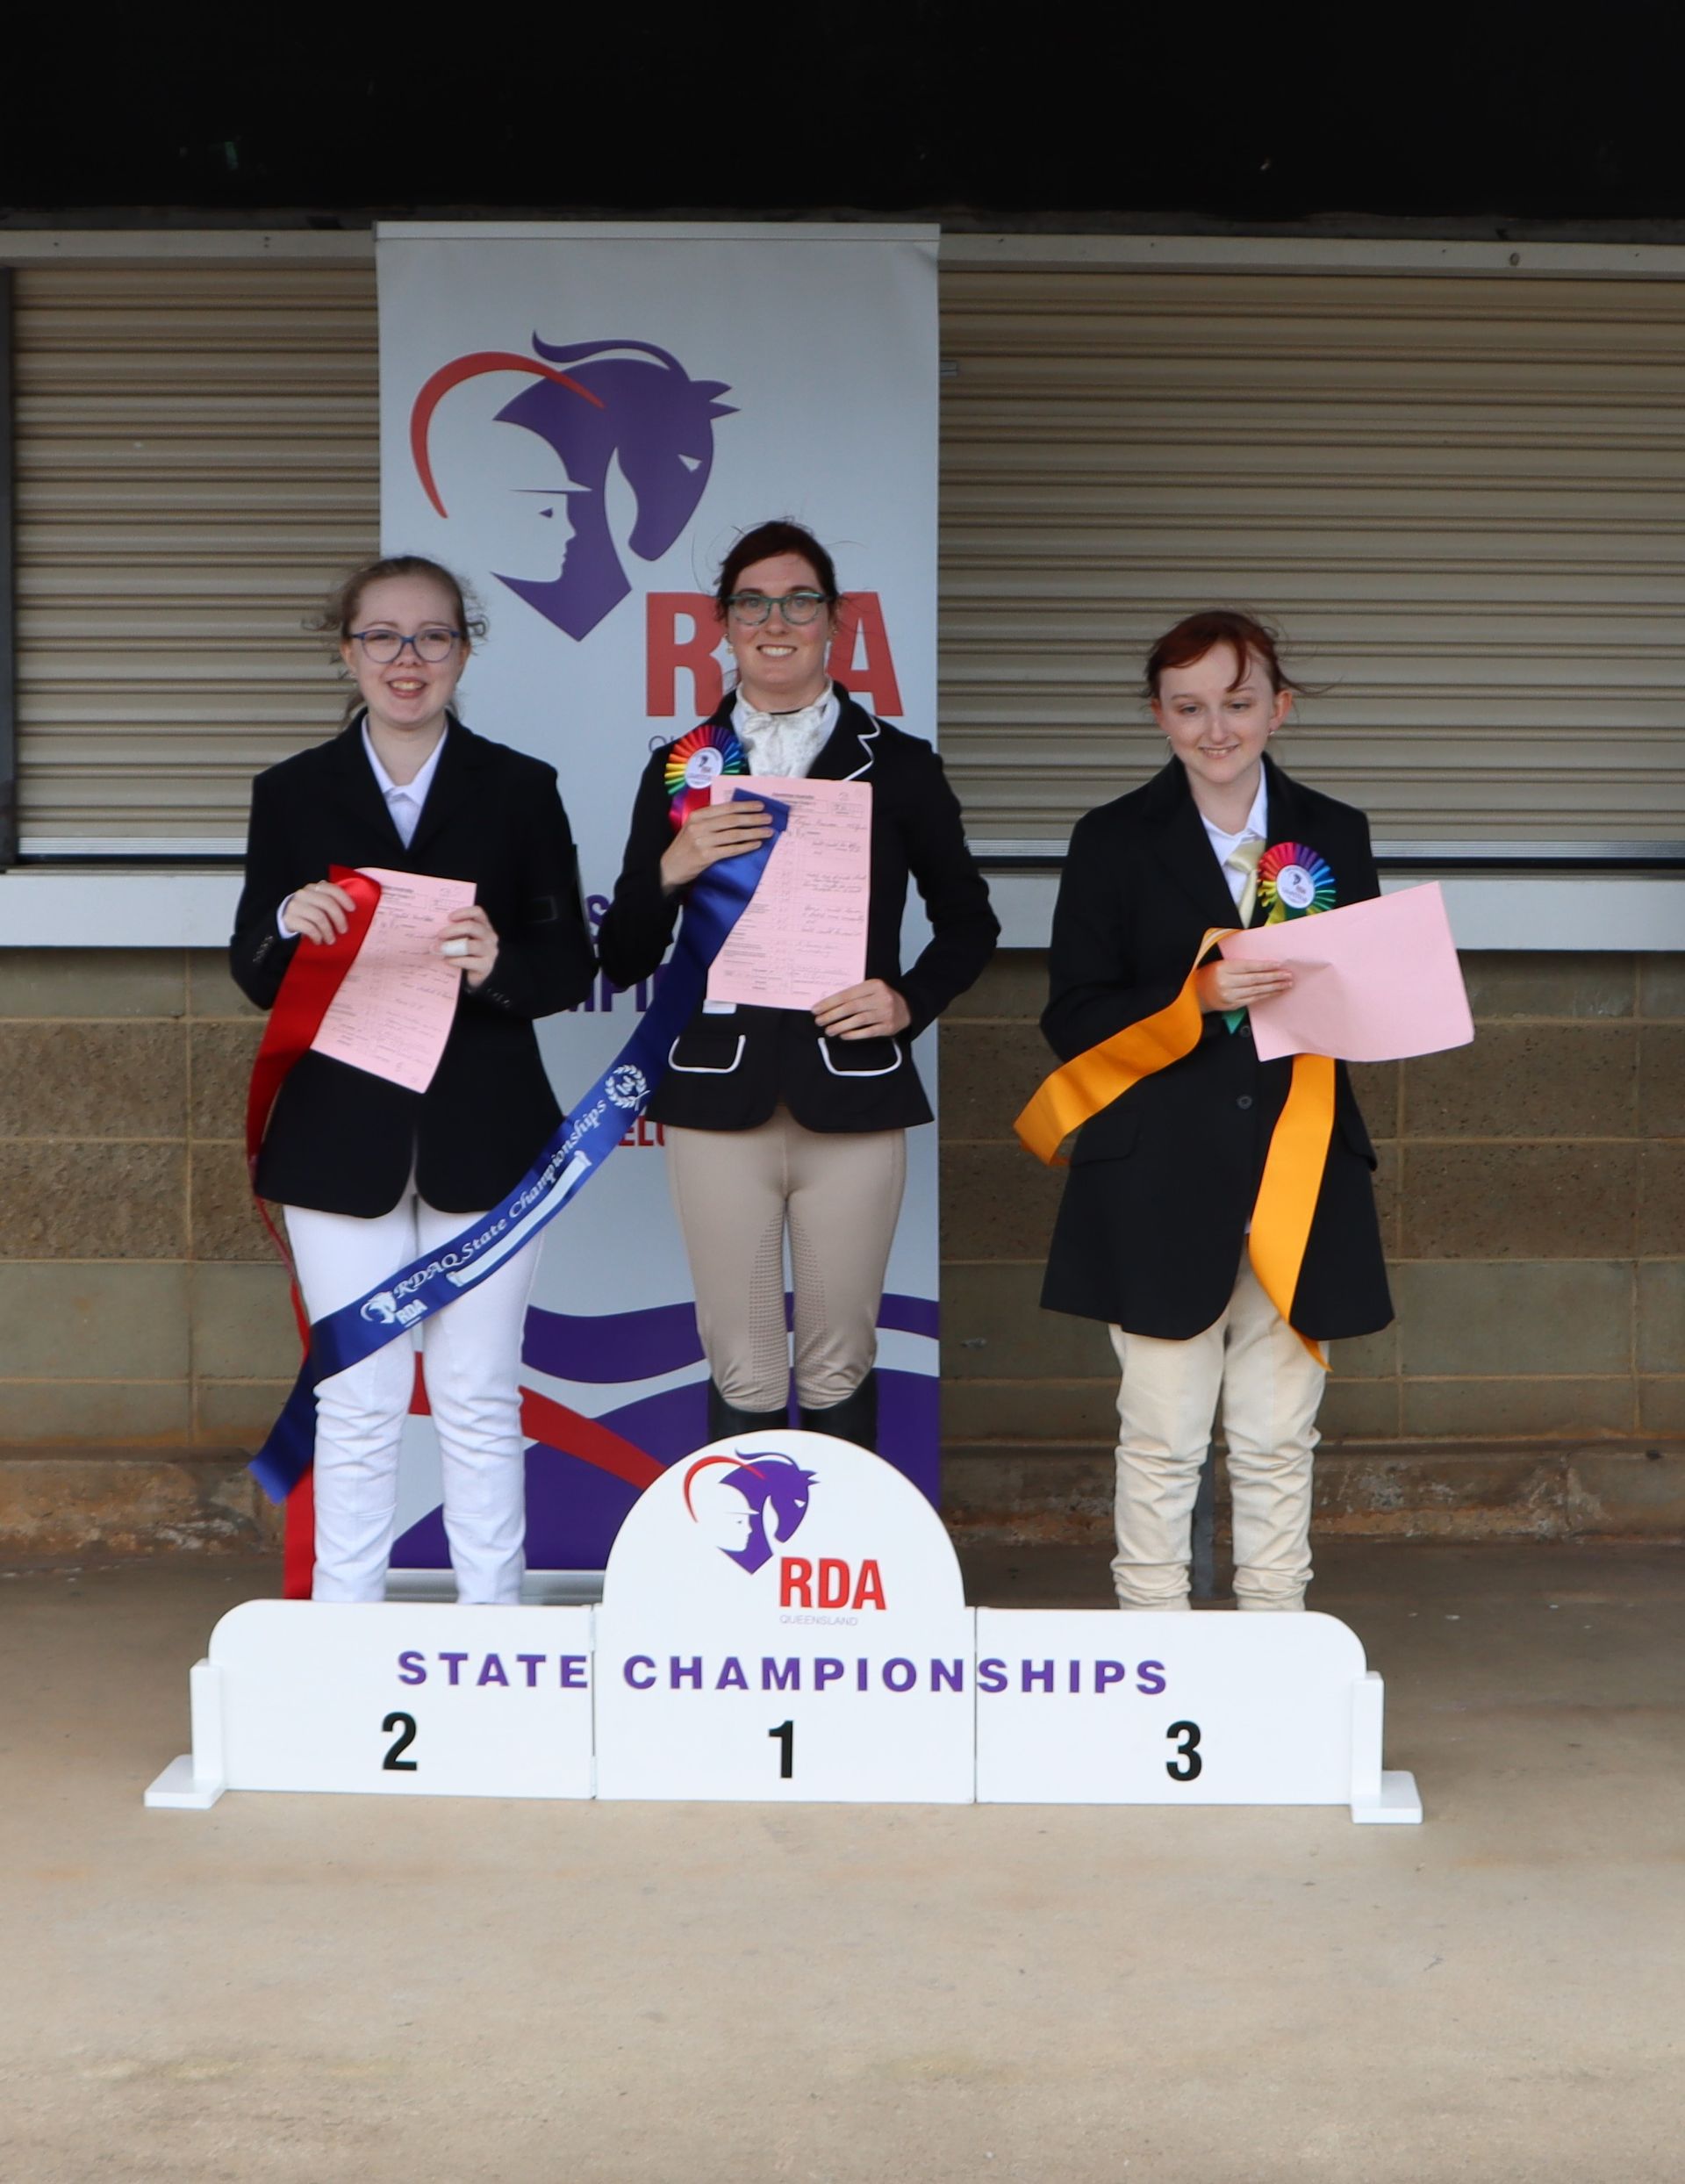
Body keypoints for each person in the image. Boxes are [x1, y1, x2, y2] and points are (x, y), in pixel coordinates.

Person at [230, 555, 596, 1603]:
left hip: (487, 1136)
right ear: (348, 651)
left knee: (479, 1392)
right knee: (359, 1392)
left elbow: (568, 964)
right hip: (339, 1141)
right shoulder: (292, 791)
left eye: (432, 636)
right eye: (383, 636)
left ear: (464, 650)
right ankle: (346, 1637)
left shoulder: (521, 789)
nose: (407, 658)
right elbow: (253, 970)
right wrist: (285, 926)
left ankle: (494, 1633)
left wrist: (499, 965)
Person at [596, 519, 999, 1450]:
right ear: (724, 626)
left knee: (839, 1359)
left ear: (835, 622)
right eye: (752, 603)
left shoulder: (899, 765)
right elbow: (620, 952)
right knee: (741, 1359)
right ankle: (738, 1579)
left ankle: (835, 1585)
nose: (776, 621)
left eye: (800, 601)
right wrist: (672, 865)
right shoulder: (679, 769)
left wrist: (908, 1000)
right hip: (714, 1095)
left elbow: (971, 922)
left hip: (853, 1090)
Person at [1038, 609, 1392, 1611]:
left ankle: (1275, 1641)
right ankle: (1156, 1645)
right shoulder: (1110, 838)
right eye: (1190, 708)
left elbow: (1369, 997)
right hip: (1155, 1174)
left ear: (1278, 707)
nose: (1217, 729)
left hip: (1299, 1167)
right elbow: (1071, 1015)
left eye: (1238, 703)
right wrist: (1189, 1003)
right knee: (1159, 1432)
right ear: (1159, 716)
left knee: (1280, 1435)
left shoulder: (1337, 833)